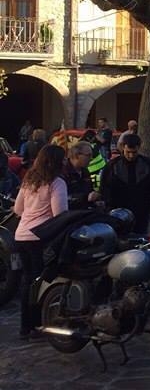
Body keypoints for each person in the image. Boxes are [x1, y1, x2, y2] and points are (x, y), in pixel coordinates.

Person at [14, 144, 68, 339]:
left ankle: (24, 326)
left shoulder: (29, 180)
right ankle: (37, 323)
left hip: (21, 235)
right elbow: (60, 213)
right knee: (40, 282)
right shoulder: (57, 182)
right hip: (41, 237)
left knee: (27, 281)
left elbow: (18, 210)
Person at [98, 134, 150, 233]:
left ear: (139, 148)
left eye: (134, 152)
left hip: (141, 211)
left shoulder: (148, 165)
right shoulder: (113, 166)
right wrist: (108, 207)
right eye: (128, 152)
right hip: (118, 212)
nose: (131, 155)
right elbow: (104, 187)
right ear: (123, 148)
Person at [63, 141, 94, 210]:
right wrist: (86, 197)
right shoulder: (63, 172)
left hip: (85, 211)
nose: (91, 158)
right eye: (88, 155)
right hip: (70, 214)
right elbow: (64, 198)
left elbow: (90, 190)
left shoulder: (85, 171)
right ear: (77, 155)